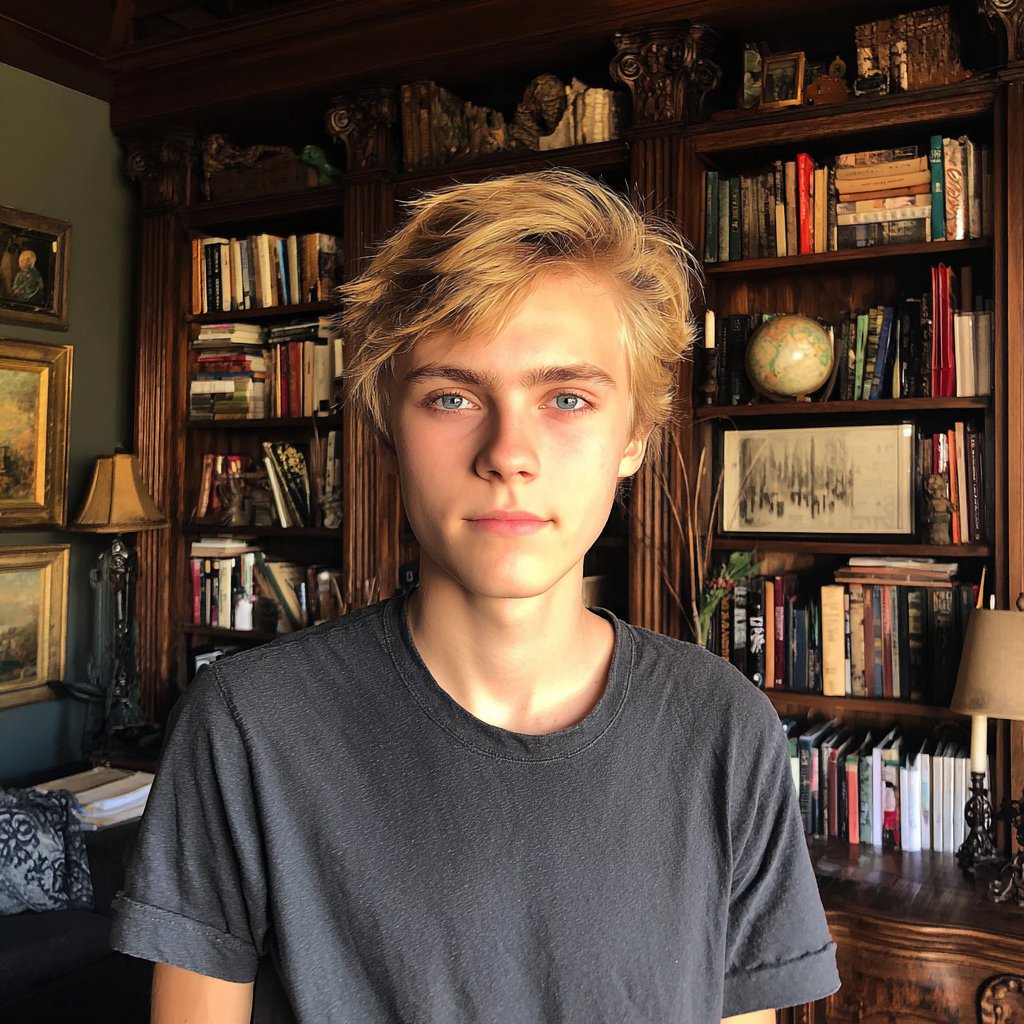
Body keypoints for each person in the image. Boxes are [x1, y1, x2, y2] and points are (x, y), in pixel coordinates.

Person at [110, 168, 840, 1023]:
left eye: (567, 397)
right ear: (388, 426)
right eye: (453, 397)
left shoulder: (725, 727)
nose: (508, 452)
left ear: (635, 435)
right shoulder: (246, 726)